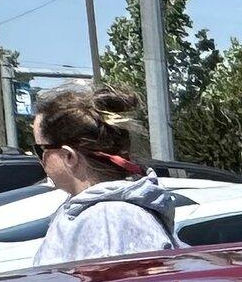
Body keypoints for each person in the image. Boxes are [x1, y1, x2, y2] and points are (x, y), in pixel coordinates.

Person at [29, 85, 179, 265]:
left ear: (69, 156)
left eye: (40, 149)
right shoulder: (97, 214)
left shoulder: (109, 221)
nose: (40, 159)